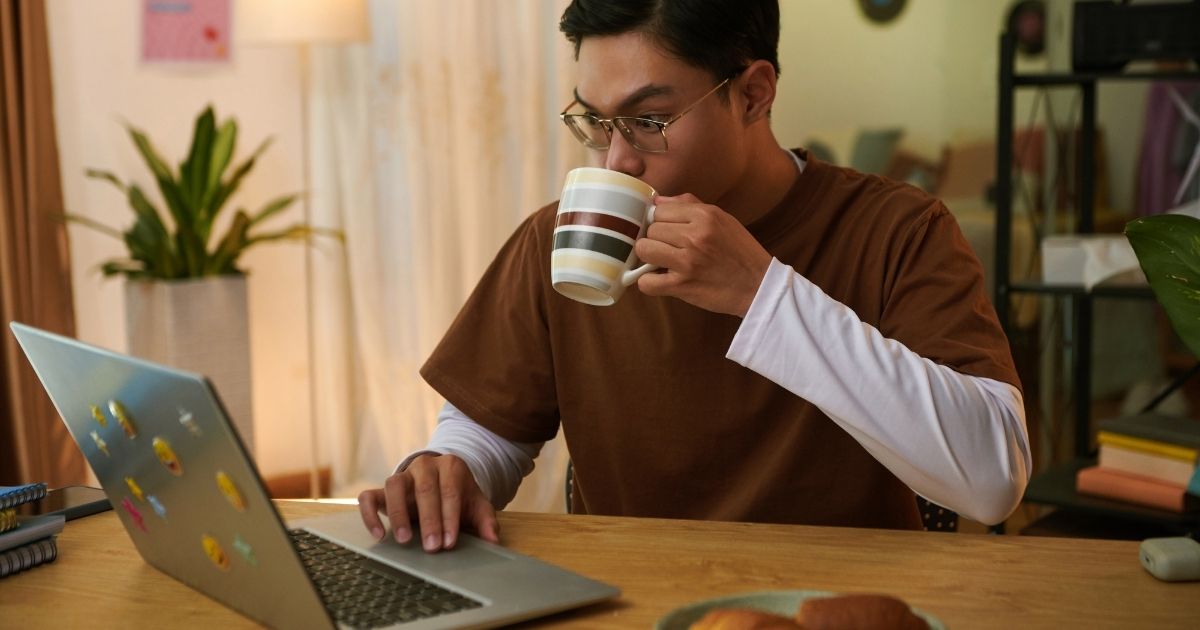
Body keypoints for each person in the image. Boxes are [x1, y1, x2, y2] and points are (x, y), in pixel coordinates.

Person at [358, 0, 1030, 553]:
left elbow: (993, 479)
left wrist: (763, 293)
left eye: (649, 120)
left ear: (754, 94)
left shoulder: (897, 230)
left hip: (838, 606)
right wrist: (448, 473)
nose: (617, 160)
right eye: (594, 119)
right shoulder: (559, 235)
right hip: (627, 601)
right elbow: (488, 428)